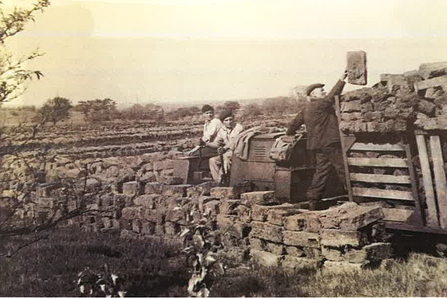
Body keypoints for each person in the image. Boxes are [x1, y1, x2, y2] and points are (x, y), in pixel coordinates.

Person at [286, 70, 348, 211]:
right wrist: (342, 78)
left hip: (317, 146)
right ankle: (355, 198)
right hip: (330, 144)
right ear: (313, 95)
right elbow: (333, 95)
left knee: (321, 172)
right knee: (343, 169)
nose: (324, 92)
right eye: (321, 90)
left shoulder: (306, 109)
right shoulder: (319, 104)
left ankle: (313, 200)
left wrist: (289, 134)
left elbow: (294, 123)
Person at [208, 110, 244, 183]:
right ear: (223, 122)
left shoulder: (238, 128)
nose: (229, 122)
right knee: (212, 160)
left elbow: (234, 141)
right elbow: (217, 143)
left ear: (233, 119)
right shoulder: (222, 130)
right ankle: (218, 181)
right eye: (226, 120)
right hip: (228, 153)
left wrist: (224, 148)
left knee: (226, 158)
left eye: (230, 119)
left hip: (237, 151)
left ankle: (226, 179)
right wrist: (206, 144)